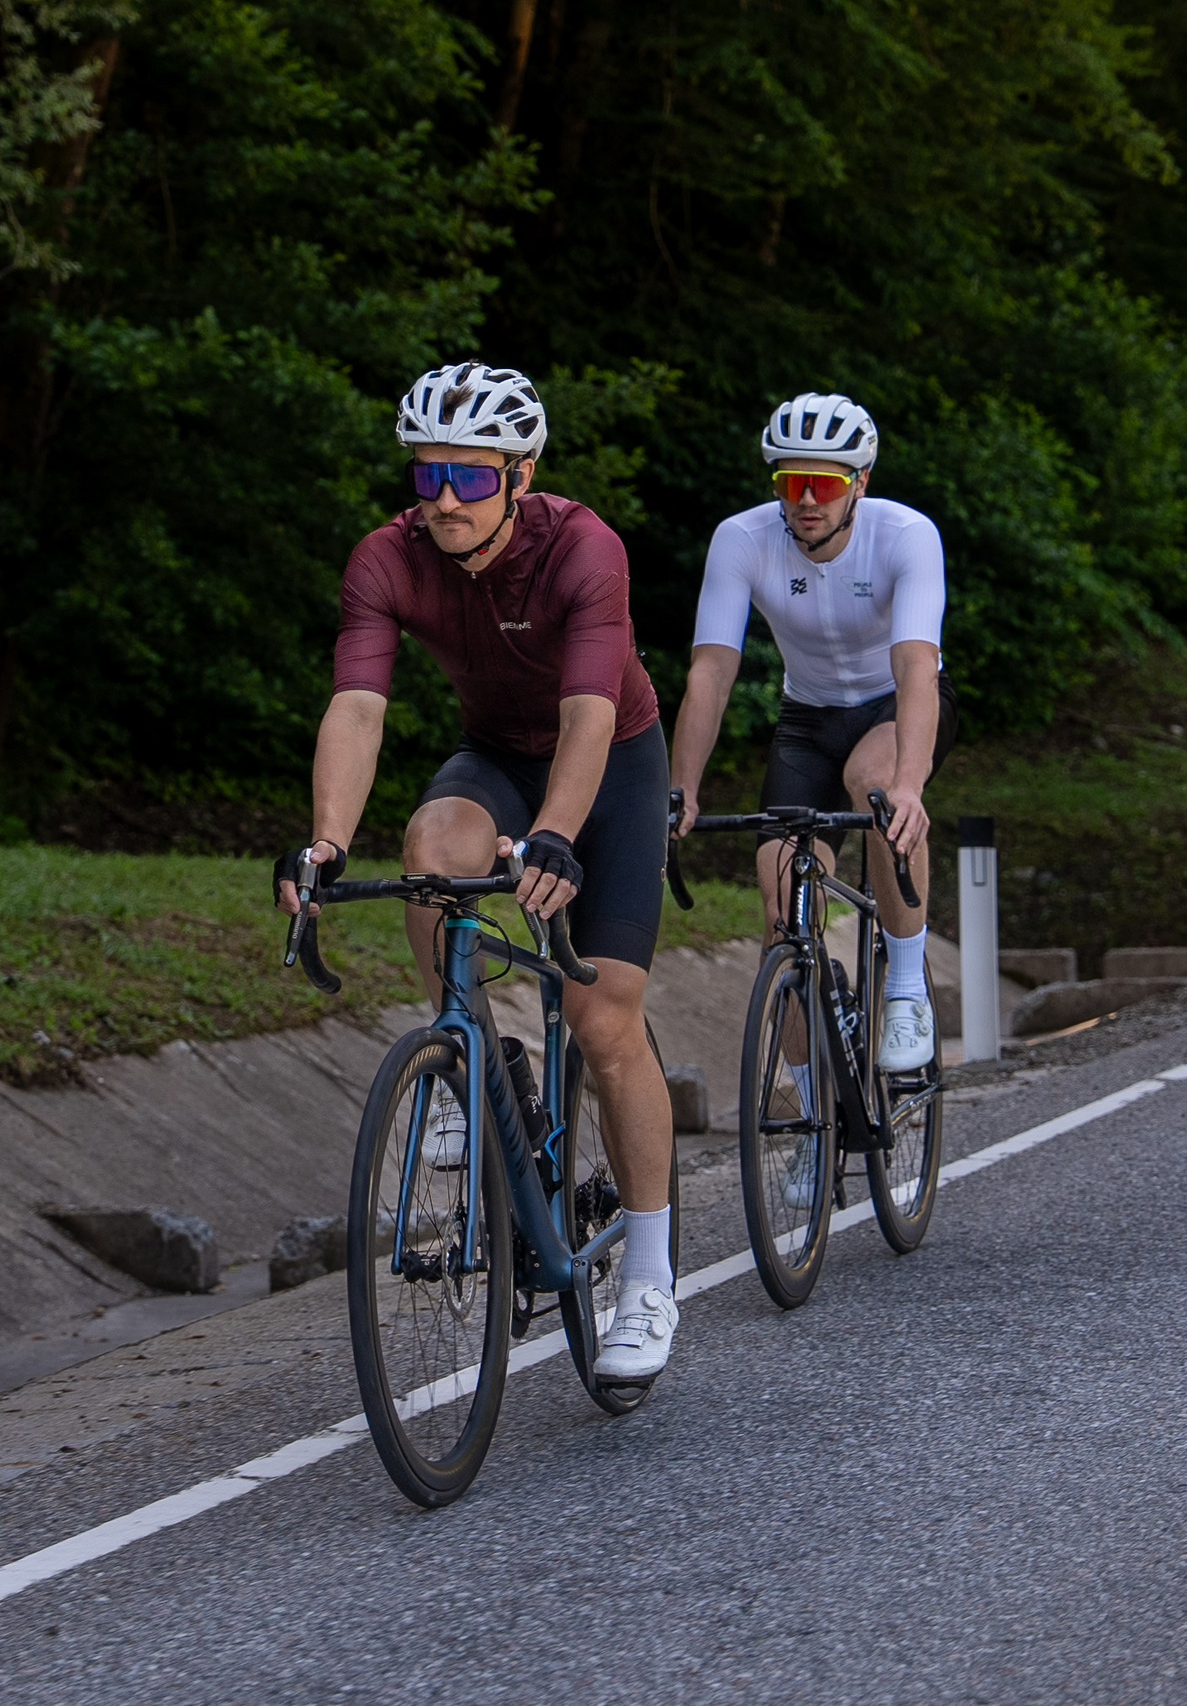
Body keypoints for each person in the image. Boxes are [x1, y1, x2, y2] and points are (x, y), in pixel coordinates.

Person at [274, 362, 682, 1381]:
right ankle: (468, 1061)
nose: (447, 499)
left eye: (471, 475)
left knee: (605, 1016)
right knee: (432, 853)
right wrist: (324, 842)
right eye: (428, 477)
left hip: (613, 761)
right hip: (497, 755)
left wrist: (554, 832)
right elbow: (358, 707)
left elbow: (589, 714)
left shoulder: (582, 547)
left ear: (521, 470)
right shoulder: (388, 558)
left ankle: (648, 1274)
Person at [672, 394, 951, 1080]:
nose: (803, 500)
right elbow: (711, 672)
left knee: (878, 786)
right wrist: (681, 788)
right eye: (788, 483)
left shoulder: (906, 534)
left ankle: (907, 988)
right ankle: (804, 1110)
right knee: (780, 906)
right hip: (808, 719)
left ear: (859, 483)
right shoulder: (742, 539)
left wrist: (912, 783)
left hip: (896, 705)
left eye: (822, 484)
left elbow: (917, 663)